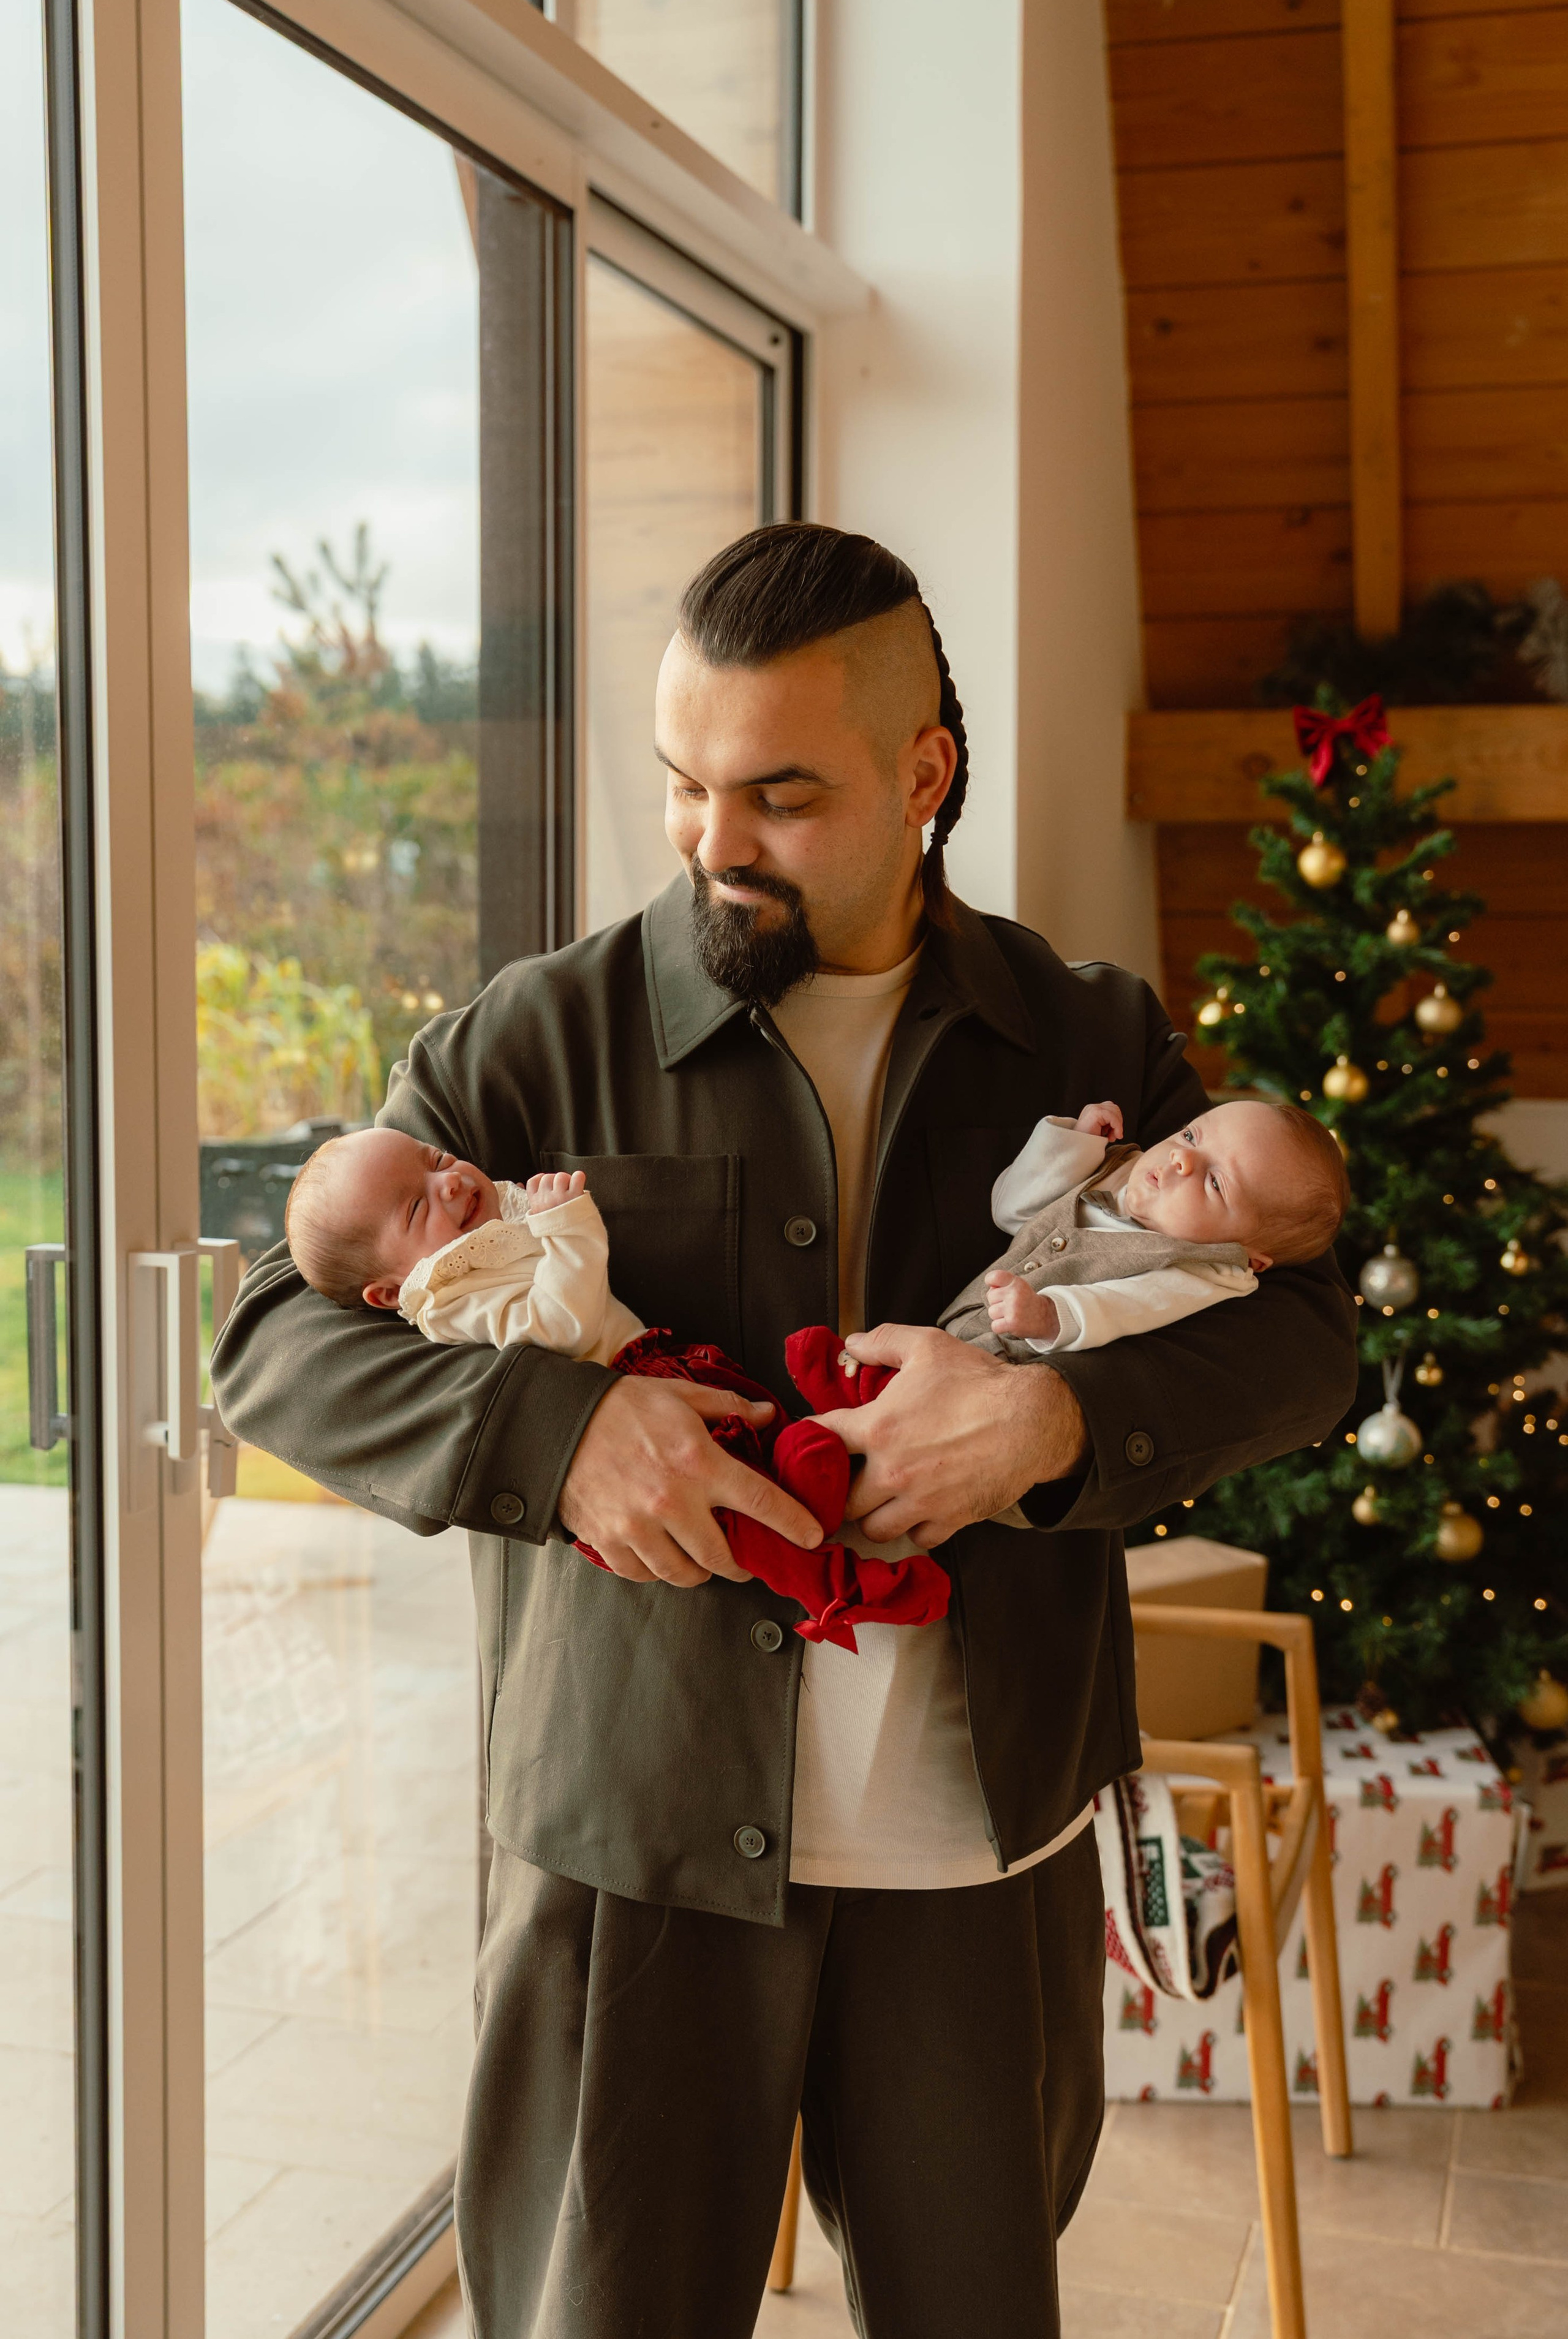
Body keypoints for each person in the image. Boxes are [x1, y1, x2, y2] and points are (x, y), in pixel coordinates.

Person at [212, 523, 1358, 2339]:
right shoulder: (531, 1034)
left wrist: (1057, 1411)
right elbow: (272, 1337)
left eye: (777, 791)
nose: (709, 840)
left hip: (980, 1859)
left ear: (924, 774)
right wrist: (561, 1425)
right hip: (628, 1852)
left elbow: (1307, 1336)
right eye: (682, 782)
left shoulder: (1085, 1033)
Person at [280, 1131, 951, 1647]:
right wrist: (565, 1220)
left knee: (759, 1423)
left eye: (434, 1156)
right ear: (391, 1291)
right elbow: (561, 1325)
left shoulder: (481, 1231)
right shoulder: (450, 1299)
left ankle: (836, 1426)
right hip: (632, 1432)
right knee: (735, 1525)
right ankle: (838, 1587)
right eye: (416, 1204)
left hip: (656, 1363)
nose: (449, 1182)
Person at [948, 1092, 1349, 1356]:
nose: (1181, 1158)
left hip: (998, 1370)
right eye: (1191, 1135)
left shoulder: (1203, 1269)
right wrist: (1076, 1144)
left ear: (1249, 1258)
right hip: (947, 1331)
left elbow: (1131, 1306)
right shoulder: (1110, 1168)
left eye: (1215, 1182)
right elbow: (1011, 1211)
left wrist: (1050, 1316)